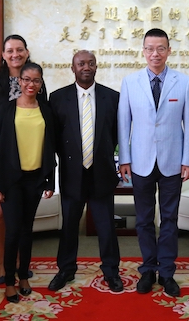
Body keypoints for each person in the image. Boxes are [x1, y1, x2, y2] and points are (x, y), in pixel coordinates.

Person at [118, 28, 189, 297]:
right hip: (140, 161)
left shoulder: (183, 82)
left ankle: (167, 272)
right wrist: (125, 158)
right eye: (150, 48)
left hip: (172, 160)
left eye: (161, 48)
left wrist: (188, 160)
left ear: (169, 51)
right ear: (143, 51)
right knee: (143, 219)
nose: (155, 53)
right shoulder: (130, 82)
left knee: (169, 218)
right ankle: (148, 269)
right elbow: (124, 123)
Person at [47, 50, 122, 293]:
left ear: (96, 67)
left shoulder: (112, 97)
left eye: (90, 63)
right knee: (69, 226)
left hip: (101, 172)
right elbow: (54, 137)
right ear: (73, 68)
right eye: (81, 64)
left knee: (106, 227)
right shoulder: (57, 98)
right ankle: (66, 269)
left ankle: (111, 271)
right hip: (72, 174)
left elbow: (115, 135)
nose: (86, 67)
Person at [0, 34, 47, 284]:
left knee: (22, 216)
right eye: (10, 50)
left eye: (19, 50)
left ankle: (19, 262)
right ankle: (2, 263)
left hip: (28, 155)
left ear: (26, 52)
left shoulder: (36, 79)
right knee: (0, 209)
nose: (15, 54)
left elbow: (43, 116)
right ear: (4, 55)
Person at [0, 62, 56, 303]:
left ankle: (23, 276)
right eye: (26, 79)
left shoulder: (46, 110)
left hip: (35, 179)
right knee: (13, 231)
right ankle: (9, 281)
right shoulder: (6, 109)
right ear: (19, 81)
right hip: (11, 180)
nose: (31, 84)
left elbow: (50, 147)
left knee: (27, 230)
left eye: (36, 80)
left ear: (41, 83)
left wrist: (50, 181)